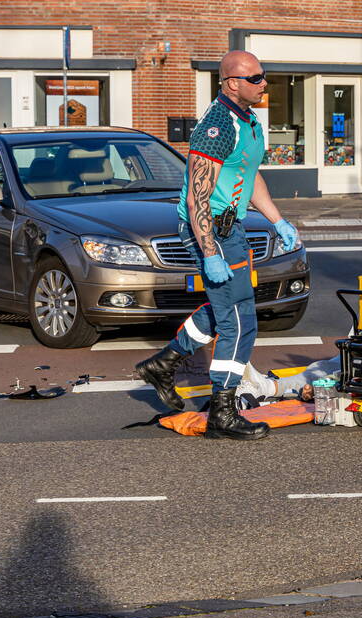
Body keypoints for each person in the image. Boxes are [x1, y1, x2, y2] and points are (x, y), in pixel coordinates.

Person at [136, 49, 299, 440]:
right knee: (238, 320)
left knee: (232, 306)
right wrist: (209, 252)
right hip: (210, 230)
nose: (263, 84)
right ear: (231, 83)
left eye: (263, 76)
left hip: (232, 228)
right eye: (255, 78)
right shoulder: (217, 126)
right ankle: (222, 412)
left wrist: (278, 221)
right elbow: (198, 197)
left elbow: (249, 174)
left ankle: (165, 362)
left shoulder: (249, 120)